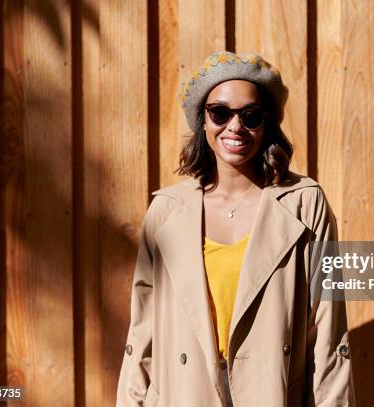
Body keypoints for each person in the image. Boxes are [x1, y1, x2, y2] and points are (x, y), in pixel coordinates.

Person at [116, 51, 351, 406]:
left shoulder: (303, 204)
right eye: (220, 113)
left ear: (267, 124)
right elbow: (142, 332)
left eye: (250, 116)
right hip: (184, 395)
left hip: (272, 393)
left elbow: (329, 330)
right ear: (204, 120)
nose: (235, 127)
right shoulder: (166, 211)